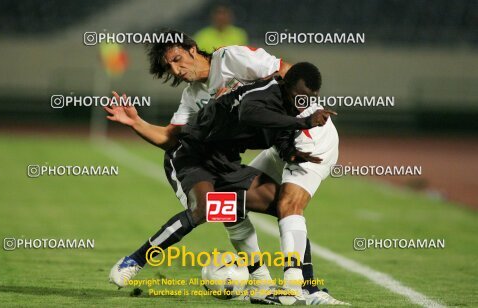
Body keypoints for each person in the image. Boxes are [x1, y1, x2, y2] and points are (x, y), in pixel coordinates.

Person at [104, 30, 341, 304]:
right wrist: (137, 123)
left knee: (281, 206)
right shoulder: (192, 96)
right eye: (169, 67)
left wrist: (297, 125)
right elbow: (171, 138)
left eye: (178, 59)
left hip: (264, 151)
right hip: (199, 158)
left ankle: (291, 285)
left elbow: (287, 75)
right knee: (217, 208)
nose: (177, 70)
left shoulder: (231, 58)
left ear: (192, 49)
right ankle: (134, 261)